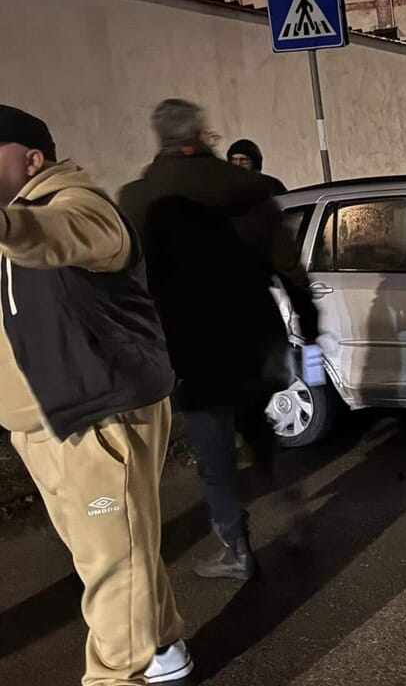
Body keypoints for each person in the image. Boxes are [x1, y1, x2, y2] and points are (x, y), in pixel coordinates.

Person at [0, 105, 192, 684]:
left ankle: (116, 677)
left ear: (31, 159)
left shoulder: (80, 206)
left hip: (98, 412)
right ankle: (161, 647)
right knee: (111, 551)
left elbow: (56, 238)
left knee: (115, 563)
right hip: (42, 420)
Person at [119, 99, 320, 581]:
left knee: (214, 449)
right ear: (202, 134)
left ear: (160, 138)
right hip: (255, 331)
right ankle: (294, 512)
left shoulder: (140, 197)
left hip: (190, 340)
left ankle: (236, 547)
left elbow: (131, 280)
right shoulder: (247, 187)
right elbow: (288, 263)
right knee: (260, 428)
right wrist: (309, 319)